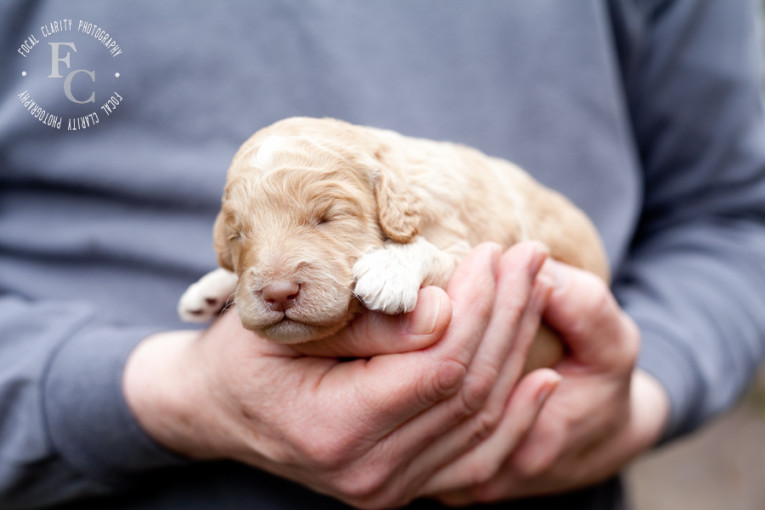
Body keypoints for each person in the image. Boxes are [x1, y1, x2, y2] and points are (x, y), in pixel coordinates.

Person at [1, 1, 764, 509]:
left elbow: (735, 215)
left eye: (327, 217)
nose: (274, 268)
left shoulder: (413, 192)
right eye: (242, 238)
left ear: (382, 202)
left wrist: (642, 392)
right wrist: (164, 392)